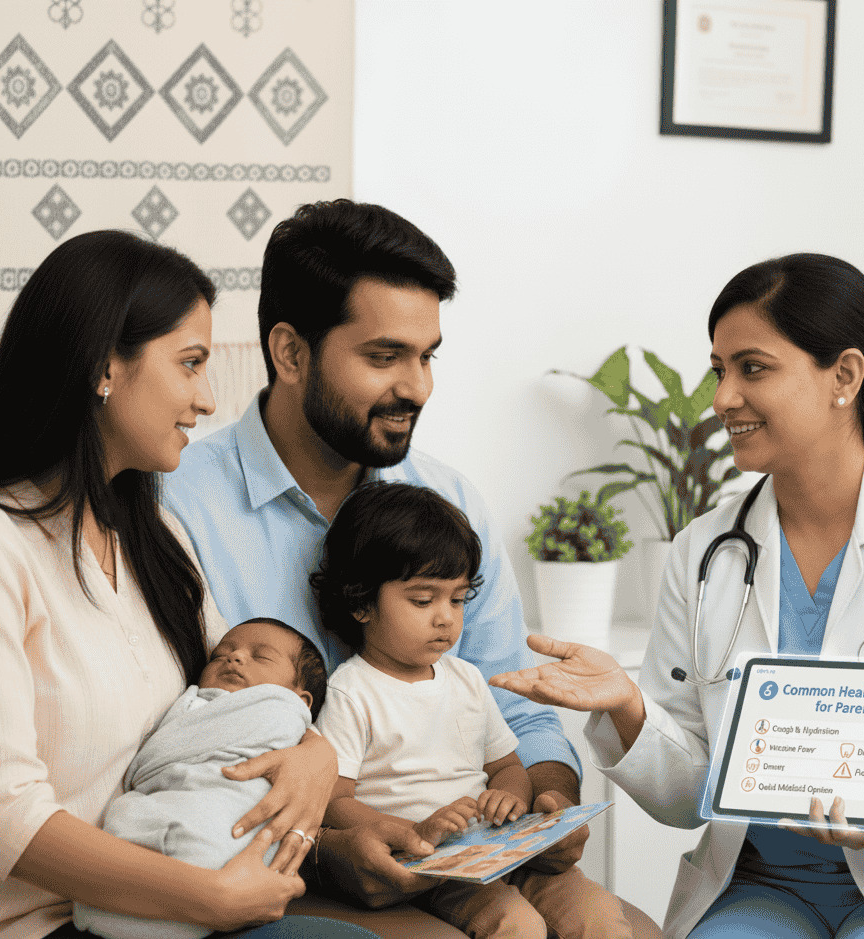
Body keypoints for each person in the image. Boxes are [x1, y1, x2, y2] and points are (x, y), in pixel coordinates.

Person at [490, 253, 864, 939]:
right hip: (762, 887)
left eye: (752, 367)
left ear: (844, 376)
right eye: (719, 369)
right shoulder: (703, 551)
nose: (723, 397)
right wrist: (630, 706)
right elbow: (688, 796)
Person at [161, 199, 588, 911]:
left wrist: (550, 798)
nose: (416, 387)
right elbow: (174, 750)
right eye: (384, 356)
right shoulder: (177, 509)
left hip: (480, 849)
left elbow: (520, 710)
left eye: (427, 356)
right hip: (273, 867)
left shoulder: (450, 501)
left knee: (616, 928)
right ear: (291, 352)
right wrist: (328, 849)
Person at [0, 231, 342, 939]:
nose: (207, 400)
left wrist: (318, 754)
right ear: (102, 367)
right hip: (47, 924)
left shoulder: (156, 541)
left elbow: (233, 689)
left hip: (177, 902)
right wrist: (206, 896)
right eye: (191, 364)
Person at [313, 481, 632, 939]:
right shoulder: (352, 692)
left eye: (458, 599)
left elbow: (506, 765)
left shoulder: (465, 678)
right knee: (515, 925)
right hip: (435, 865)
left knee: (598, 914)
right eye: (423, 601)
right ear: (361, 602)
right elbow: (334, 800)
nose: (446, 616)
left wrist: (512, 796)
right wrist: (409, 831)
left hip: (502, 848)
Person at [74, 618, 338, 939]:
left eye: (261, 656)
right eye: (218, 655)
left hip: (231, 837)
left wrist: (319, 749)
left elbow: (150, 762)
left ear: (302, 700)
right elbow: (155, 760)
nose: (234, 657)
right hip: (157, 842)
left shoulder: (281, 712)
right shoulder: (192, 705)